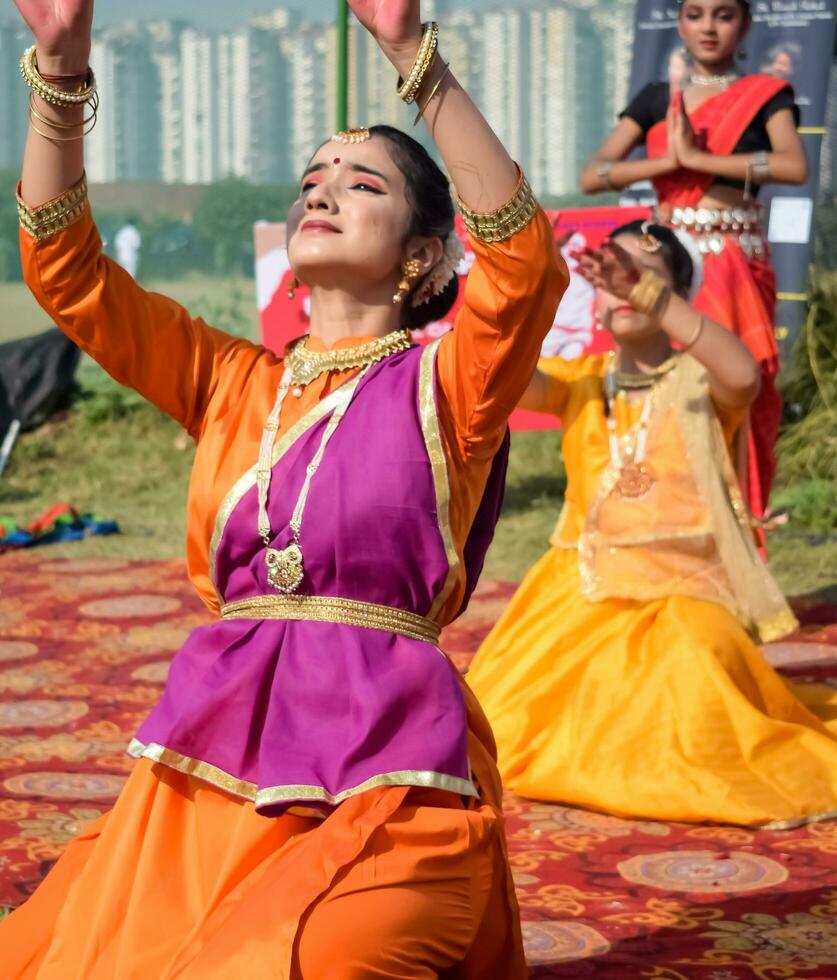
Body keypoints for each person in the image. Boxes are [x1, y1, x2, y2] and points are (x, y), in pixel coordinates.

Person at [2, 0, 568, 976]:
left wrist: (413, 58)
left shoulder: (451, 386)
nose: (322, 190)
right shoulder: (230, 381)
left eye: (361, 183)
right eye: (312, 179)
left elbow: (523, 263)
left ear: (425, 253)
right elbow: (68, 272)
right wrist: (59, 81)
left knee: (327, 953)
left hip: (393, 780)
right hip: (217, 764)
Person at [467, 220, 837, 829]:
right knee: (499, 719)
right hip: (579, 586)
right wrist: (535, 282)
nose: (624, 289)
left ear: (676, 298)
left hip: (683, 592)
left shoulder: (701, 380)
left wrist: (649, 296)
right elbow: (491, 372)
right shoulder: (580, 382)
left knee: (688, 686)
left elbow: (745, 376)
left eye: (641, 277)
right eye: (611, 280)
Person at [581, 0, 808, 525]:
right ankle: (666, 521)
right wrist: (666, 162)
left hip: (734, 265)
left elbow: (793, 164)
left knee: (738, 387)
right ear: (679, 22)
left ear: (745, 23)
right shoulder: (658, 100)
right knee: (669, 388)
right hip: (668, 268)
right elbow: (593, 174)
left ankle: (739, 534)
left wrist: (699, 161)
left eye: (724, 14)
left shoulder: (766, 96)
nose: (708, 27)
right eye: (696, 13)